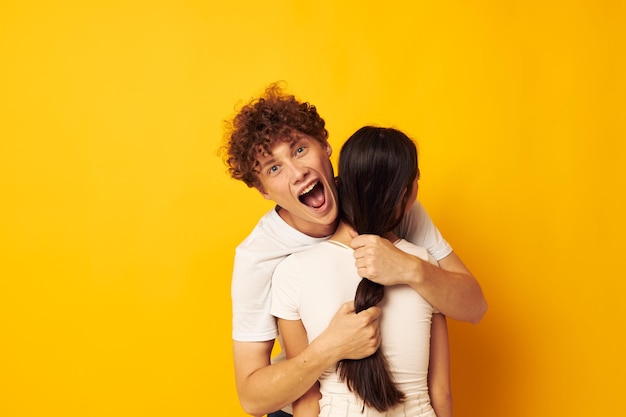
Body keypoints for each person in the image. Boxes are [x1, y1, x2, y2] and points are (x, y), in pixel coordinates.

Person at [220, 83, 486, 417]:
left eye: (300, 149)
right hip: (307, 400)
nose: (297, 171)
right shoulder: (257, 258)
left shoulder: (383, 199)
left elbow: (474, 306)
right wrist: (329, 348)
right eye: (274, 168)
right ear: (263, 191)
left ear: (325, 145)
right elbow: (252, 399)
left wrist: (411, 269)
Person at [271, 126, 452, 417]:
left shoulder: (291, 272)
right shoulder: (424, 266)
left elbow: (306, 400)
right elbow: (440, 391)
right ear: (406, 194)